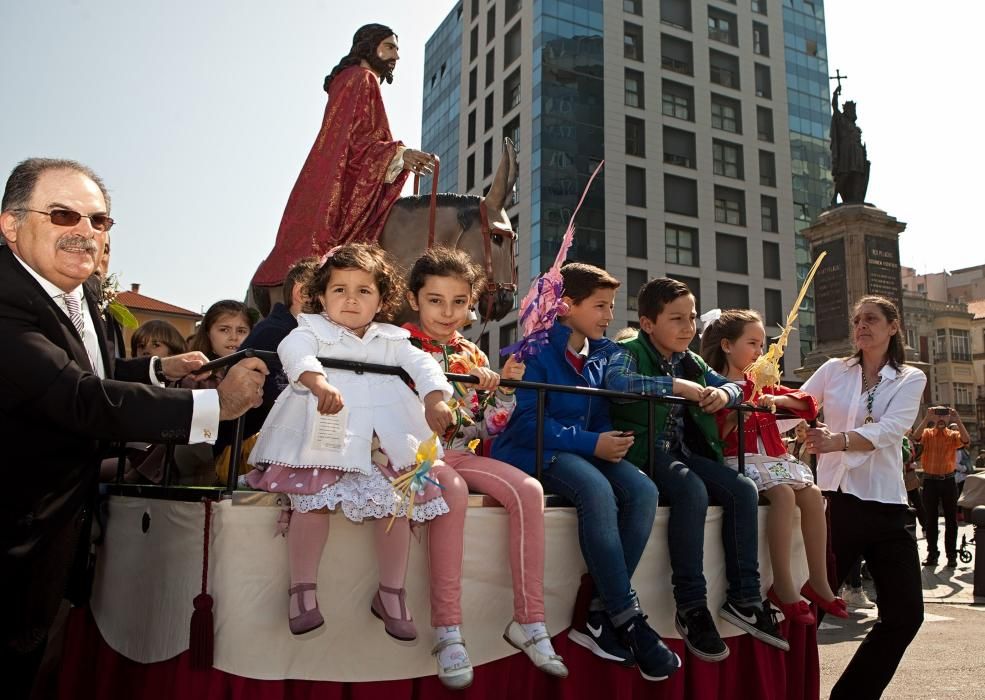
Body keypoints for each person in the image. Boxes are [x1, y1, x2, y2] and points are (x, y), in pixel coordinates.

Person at [0, 158, 267, 699]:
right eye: (62, 215)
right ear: (11, 225)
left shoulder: (76, 294)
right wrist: (214, 406)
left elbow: (88, 372)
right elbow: (77, 398)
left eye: (99, 221)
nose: (85, 233)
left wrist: (157, 370)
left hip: (54, 541)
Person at [245, 244, 454, 639]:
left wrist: (434, 398)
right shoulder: (310, 329)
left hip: (381, 435)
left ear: (381, 299)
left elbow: (424, 365)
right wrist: (317, 381)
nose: (351, 300)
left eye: (364, 290)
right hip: (325, 431)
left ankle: (391, 591)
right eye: (340, 290)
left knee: (396, 506)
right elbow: (294, 352)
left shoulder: (391, 338)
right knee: (311, 502)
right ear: (321, 296)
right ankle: (302, 589)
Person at [493, 263, 680, 683]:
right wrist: (591, 443)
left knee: (643, 490)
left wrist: (606, 440)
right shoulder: (534, 350)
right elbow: (522, 423)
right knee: (596, 489)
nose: (608, 316)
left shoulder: (599, 355)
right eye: (600, 306)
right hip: (532, 453)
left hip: (579, 451)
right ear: (566, 305)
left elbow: (598, 413)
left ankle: (598, 612)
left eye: (611, 306)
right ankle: (627, 617)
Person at [402, 247, 567, 687]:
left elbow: (486, 425)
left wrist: (506, 388)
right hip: (411, 456)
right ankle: (448, 630)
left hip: (459, 452)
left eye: (459, 301)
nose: (448, 311)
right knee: (452, 489)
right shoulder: (392, 343)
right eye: (435, 300)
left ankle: (530, 621)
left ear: (471, 303)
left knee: (529, 490)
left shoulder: (473, 355)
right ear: (414, 298)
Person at [605, 280, 789, 662]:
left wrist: (724, 394)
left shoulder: (690, 358)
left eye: (691, 317)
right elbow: (617, 383)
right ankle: (691, 605)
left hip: (681, 451)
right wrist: (678, 386)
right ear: (647, 323)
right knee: (692, 491)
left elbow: (734, 387)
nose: (688, 327)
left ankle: (745, 598)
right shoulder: (629, 349)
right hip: (640, 451)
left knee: (743, 489)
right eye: (676, 318)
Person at [801, 295, 926, 700]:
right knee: (810, 609)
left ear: (893, 326)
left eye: (871, 319)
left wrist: (837, 440)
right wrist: (757, 406)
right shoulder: (834, 370)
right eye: (857, 320)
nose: (861, 326)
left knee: (905, 616)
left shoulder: (910, 377)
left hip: (888, 505)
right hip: (837, 503)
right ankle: (785, 688)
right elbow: (798, 406)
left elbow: (894, 429)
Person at [252, 23, 435, 290]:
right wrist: (399, 155)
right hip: (346, 183)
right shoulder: (363, 78)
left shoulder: (346, 79)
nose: (396, 56)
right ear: (369, 46)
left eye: (397, 49)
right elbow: (358, 142)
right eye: (390, 47)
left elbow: (349, 142)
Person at [700, 309, 847, 625]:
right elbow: (716, 434)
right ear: (727, 345)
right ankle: (782, 584)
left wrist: (775, 400)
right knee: (782, 495)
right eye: (752, 343)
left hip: (772, 457)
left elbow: (806, 402)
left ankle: (818, 581)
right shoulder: (715, 384)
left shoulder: (759, 382)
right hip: (739, 459)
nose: (760, 351)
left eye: (762, 343)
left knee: (812, 494)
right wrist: (742, 409)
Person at [912, 408, 970, 567]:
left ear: (948, 417)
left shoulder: (952, 435)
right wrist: (927, 418)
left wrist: (957, 420)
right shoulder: (928, 433)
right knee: (931, 520)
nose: (941, 418)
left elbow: (966, 440)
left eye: (944, 414)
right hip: (930, 481)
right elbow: (915, 437)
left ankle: (951, 555)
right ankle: (932, 554)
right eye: (939, 414)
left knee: (951, 520)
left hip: (948, 481)